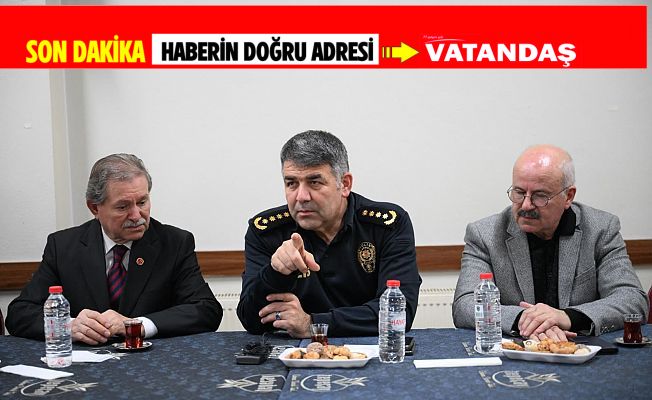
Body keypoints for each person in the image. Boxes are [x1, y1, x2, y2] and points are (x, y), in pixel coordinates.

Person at [6, 154, 222, 344]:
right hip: (85, 365)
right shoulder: (63, 246)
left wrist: (137, 325)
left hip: (153, 362)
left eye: (142, 202)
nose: (136, 215)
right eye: (123, 206)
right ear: (94, 207)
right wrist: (68, 326)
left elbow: (205, 309)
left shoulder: (174, 243)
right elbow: (19, 313)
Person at [453, 145, 648, 341]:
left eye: (540, 196)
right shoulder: (485, 234)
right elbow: (465, 305)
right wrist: (525, 319)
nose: (526, 205)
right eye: (519, 192)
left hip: (581, 348)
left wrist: (567, 317)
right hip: (517, 349)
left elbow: (632, 299)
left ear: (568, 196)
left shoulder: (601, 229)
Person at [237, 130, 422, 338]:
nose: (301, 196)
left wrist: (312, 324)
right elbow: (251, 320)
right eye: (291, 183)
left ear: (345, 184)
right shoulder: (266, 232)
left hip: (369, 350)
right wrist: (275, 272)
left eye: (314, 182)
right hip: (294, 353)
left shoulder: (386, 225)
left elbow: (398, 313)